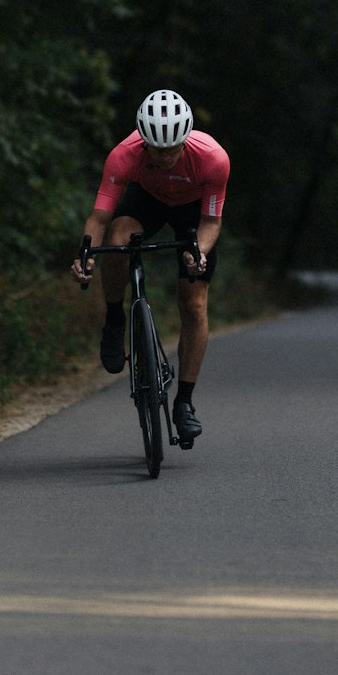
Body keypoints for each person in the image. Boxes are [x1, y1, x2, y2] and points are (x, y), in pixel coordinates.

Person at [71, 89, 229, 444]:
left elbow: (211, 222)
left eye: (173, 148)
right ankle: (115, 319)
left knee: (194, 302)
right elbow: (99, 215)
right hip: (148, 200)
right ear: (143, 142)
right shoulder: (124, 156)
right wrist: (87, 256)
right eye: (157, 150)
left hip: (193, 212)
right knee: (118, 239)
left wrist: (198, 252)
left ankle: (184, 404)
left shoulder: (213, 159)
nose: (167, 156)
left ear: (185, 138)